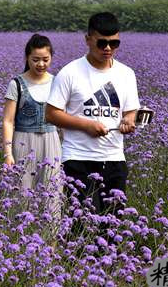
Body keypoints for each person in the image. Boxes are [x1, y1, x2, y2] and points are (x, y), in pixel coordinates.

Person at [45, 12, 140, 217]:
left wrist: (128, 121)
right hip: (78, 160)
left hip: (115, 159)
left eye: (114, 43)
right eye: (102, 43)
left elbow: (131, 110)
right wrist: (86, 125)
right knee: (81, 227)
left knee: (112, 227)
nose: (108, 49)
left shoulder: (126, 74)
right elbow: (51, 114)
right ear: (88, 40)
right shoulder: (70, 73)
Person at [1, 34, 63, 220]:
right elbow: (8, 121)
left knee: (52, 197)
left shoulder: (57, 81)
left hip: (51, 141)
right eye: (35, 60)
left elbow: (64, 117)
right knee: (21, 195)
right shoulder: (16, 84)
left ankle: (51, 246)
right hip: (23, 142)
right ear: (27, 58)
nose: (41, 64)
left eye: (45, 59)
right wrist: (8, 153)